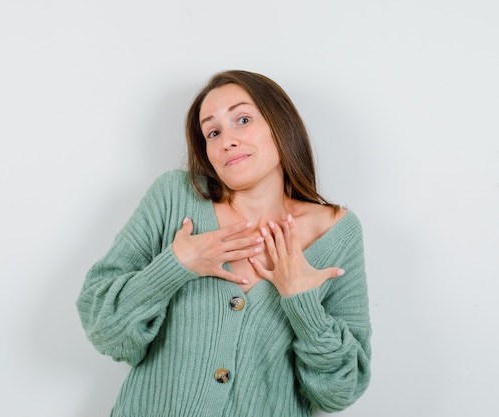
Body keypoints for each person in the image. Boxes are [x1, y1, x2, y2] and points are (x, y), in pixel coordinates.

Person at [76, 70, 371, 416]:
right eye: (213, 132)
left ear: (281, 125)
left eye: (242, 119)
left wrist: (303, 303)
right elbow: (105, 329)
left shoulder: (337, 231)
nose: (226, 140)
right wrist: (174, 266)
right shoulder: (175, 197)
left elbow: (340, 391)